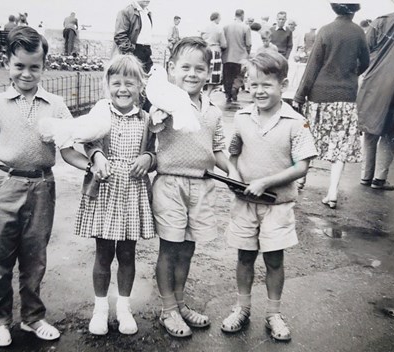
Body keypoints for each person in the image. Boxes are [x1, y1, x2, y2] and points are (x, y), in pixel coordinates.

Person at [0, 26, 85, 347]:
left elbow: (67, 149)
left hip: (42, 187)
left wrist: (92, 165)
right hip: (6, 188)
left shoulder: (56, 105)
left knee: (35, 259)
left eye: (34, 66)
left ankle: (33, 318)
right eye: (19, 65)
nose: (26, 73)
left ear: (44, 67)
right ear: (7, 63)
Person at [220, 51, 318, 342]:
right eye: (254, 84)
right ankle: (242, 307)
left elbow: (302, 166)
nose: (259, 91)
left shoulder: (295, 122)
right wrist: (235, 177)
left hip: (278, 205)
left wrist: (266, 182)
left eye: (267, 85)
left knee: (274, 260)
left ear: (283, 85)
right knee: (245, 257)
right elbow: (233, 155)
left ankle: (274, 313)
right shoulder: (241, 118)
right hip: (245, 204)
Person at [150, 37, 239, 338]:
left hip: (202, 187)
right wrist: (156, 115)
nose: (192, 73)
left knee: (187, 250)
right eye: (185, 67)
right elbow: (152, 128)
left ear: (209, 72)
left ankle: (180, 302)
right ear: (172, 69)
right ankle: (167, 310)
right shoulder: (165, 104)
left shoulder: (213, 111)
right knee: (170, 248)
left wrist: (238, 174)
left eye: (199, 68)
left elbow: (218, 150)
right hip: (170, 185)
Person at [71, 54, 156, 336]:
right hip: (105, 189)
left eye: (129, 83)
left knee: (128, 253)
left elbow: (157, 151)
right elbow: (89, 141)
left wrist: (147, 157)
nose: (122, 89)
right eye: (116, 82)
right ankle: (100, 309)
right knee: (103, 253)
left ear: (140, 86)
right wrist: (96, 156)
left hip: (132, 191)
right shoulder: (101, 113)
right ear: (107, 84)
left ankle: (124, 308)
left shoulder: (148, 119)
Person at [293, 1, 369, 208]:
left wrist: (299, 96)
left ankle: (300, 179)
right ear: (354, 11)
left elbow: (313, 66)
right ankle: (332, 192)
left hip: (320, 96)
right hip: (346, 97)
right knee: (340, 145)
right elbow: (365, 63)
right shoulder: (359, 33)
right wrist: (350, 76)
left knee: (310, 140)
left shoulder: (325, 31)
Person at [357, 11, 394, 191]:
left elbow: (363, 52)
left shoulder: (380, 22)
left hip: (374, 82)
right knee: (392, 132)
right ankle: (379, 178)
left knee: (370, 128)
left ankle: (366, 175)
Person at [114, 0, 153, 74]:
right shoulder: (126, 11)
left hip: (146, 51)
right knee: (133, 79)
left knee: (147, 80)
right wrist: (129, 52)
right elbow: (120, 35)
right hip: (134, 51)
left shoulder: (148, 13)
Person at [222, 9, 252, 103]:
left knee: (227, 77)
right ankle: (234, 89)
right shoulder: (246, 27)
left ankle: (228, 95)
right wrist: (248, 54)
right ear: (242, 15)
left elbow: (223, 42)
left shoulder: (226, 26)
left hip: (227, 56)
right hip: (240, 57)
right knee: (239, 76)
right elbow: (248, 43)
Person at [201, 12, 227, 91]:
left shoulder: (204, 28)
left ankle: (200, 91)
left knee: (203, 70)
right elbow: (224, 44)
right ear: (217, 18)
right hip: (215, 51)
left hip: (205, 51)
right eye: (219, 18)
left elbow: (200, 40)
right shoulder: (219, 29)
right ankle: (208, 95)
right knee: (214, 74)